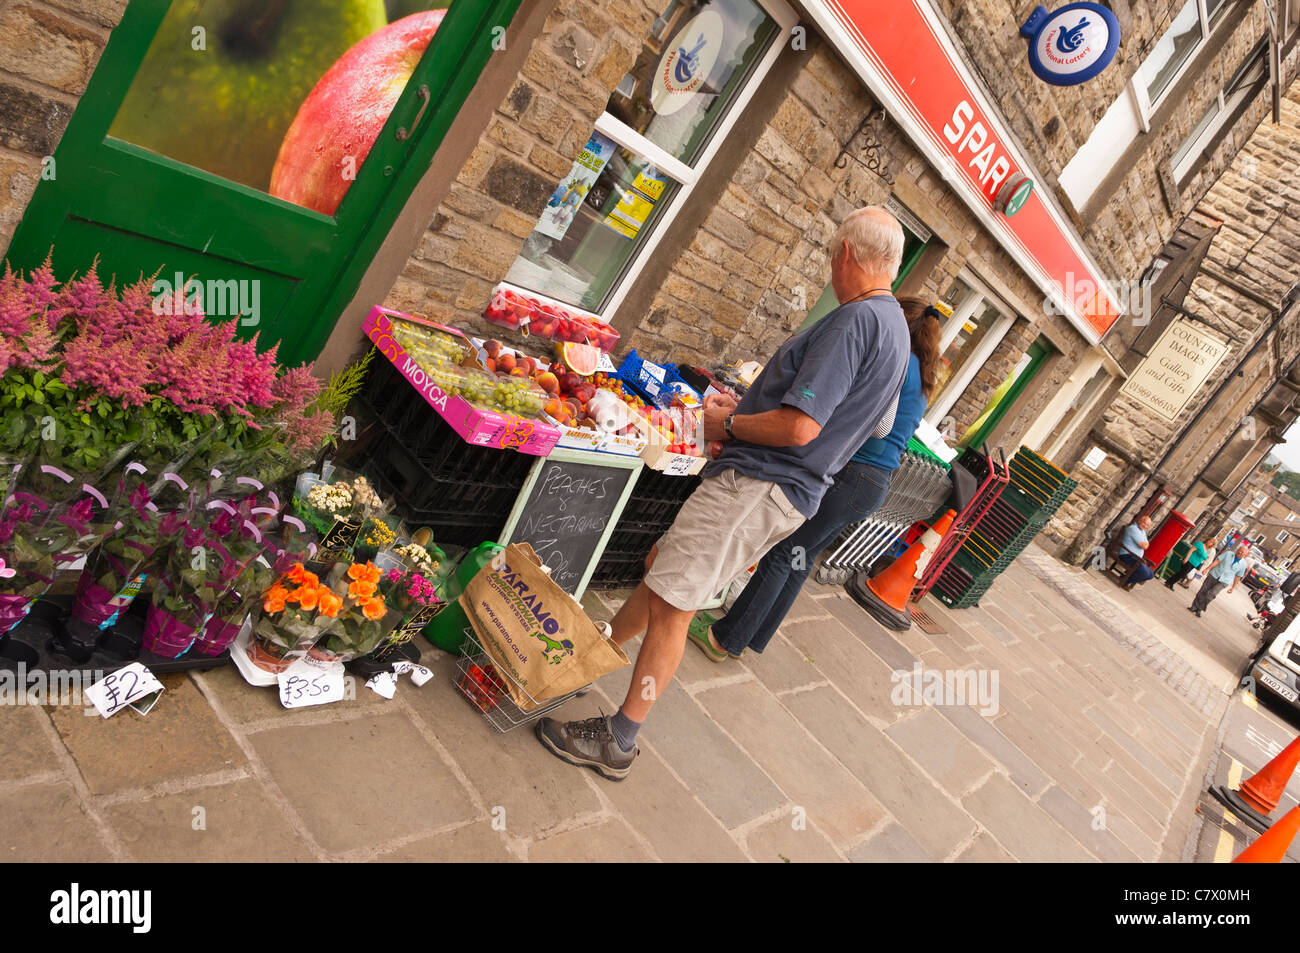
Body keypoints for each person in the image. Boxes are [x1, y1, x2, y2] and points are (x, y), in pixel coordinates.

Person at [534, 206, 911, 780]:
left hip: (758, 486)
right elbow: (857, 425)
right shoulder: (895, 329)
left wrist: (729, 426)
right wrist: (747, 412)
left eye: (832, 255)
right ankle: (585, 661)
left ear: (847, 255)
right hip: (779, 489)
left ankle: (619, 737)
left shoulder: (854, 321)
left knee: (674, 608)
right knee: (665, 570)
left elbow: (801, 427)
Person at [688, 297, 941, 661]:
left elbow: (880, 427)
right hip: (874, 484)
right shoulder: (922, 376)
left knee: (782, 552)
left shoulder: (898, 361)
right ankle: (753, 634)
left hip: (853, 474)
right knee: (800, 557)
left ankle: (725, 639)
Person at [1189, 541, 1251, 617]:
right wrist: (1207, 569)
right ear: (1237, 550)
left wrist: (1233, 587)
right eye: (1240, 551)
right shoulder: (1228, 554)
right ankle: (1194, 607)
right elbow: (1217, 561)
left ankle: (1199, 609)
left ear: (1245, 554)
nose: (1240, 553)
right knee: (1203, 591)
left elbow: (1238, 576)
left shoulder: (1243, 564)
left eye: (1243, 552)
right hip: (1214, 575)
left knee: (1211, 595)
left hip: (1224, 581)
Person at [1115, 515, 1155, 587]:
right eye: (1144, 523)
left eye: (1147, 525)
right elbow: (1144, 546)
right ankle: (1125, 581)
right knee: (1144, 573)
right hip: (1127, 555)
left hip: (1136, 558)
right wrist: (1145, 544)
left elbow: (1147, 545)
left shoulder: (1142, 532)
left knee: (1151, 574)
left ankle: (1125, 578)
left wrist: (1145, 544)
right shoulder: (1133, 529)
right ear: (1139, 521)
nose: (1145, 526)